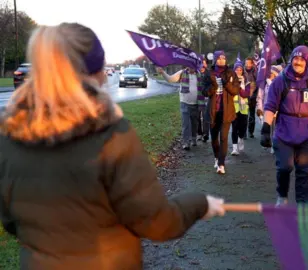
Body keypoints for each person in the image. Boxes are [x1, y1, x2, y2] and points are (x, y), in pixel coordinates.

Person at [0, 23, 225, 269]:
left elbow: (10, 219)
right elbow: (157, 222)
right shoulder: (112, 137)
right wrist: (200, 204)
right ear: (95, 72)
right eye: (103, 67)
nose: (107, 75)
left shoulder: (8, 134)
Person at [260, 45, 308, 205]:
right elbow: (270, 106)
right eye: (295, 58)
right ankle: (282, 195)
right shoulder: (280, 81)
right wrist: (265, 128)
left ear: (306, 61)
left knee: (303, 170)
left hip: (306, 133)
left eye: (301, 59)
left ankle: (302, 202)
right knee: (285, 167)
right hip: (284, 132)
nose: (298, 62)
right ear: (291, 59)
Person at [202, 50, 240, 174]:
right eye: (218, 58)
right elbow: (204, 91)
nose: (221, 60)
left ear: (226, 60)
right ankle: (216, 157)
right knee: (214, 138)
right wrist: (213, 87)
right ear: (215, 60)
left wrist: (226, 84)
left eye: (223, 58)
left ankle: (221, 164)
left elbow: (235, 91)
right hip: (213, 111)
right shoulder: (209, 73)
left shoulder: (231, 73)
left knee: (223, 137)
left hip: (227, 111)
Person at [158, 63, 204, 150]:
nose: (191, 68)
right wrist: (162, 72)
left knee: (194, 123)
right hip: (184, 103)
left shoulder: (200, 74)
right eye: (189, 65)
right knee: (185, 124)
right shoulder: (182, 73)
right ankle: (186, 142)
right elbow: (170, 79)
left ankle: (193, 138)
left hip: (196, 103)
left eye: (193, 66)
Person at [256, 65, 283, 154]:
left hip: (277, 110)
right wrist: (260, 108)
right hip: (267, 110)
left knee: (276, 129)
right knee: (268, 128)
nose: (269, 74)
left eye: (271, 73)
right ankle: (270, 143)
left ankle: (275, 145)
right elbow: (260, 97)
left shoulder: (279, 83)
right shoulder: (263, 84)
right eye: (269, 73)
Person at [231, 60, 251, 156]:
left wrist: (240, 85)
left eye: (240, 70)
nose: (238, 72)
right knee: (234, 127)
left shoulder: (246, 82)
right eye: (236, 70)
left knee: (242, 128)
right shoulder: (230, 81)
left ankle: (241, 138)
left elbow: (245, 94)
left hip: (243, 109)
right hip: (233, 108)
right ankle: (234, 148)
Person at [244, 56, 258, 138]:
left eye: (249, 63)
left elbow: (258, 83)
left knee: (252, 114)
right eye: (246, 63)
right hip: (244, 96)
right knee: (244, 114)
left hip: (253, 96)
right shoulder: (242, 71)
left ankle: (250, 131)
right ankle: (244, 132)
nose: (248, 65)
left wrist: (254, 91)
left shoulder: (256, 71)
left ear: (252, 64)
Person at [197, 57, 210, 142]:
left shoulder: (209, 74)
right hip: (197, 97)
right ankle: (199, 133)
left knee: (206, 117)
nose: (203, 65)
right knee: (197, 117)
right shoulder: (196, 73)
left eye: (204, 63)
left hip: (206, 98)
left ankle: (205, 134)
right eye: (201, 63)